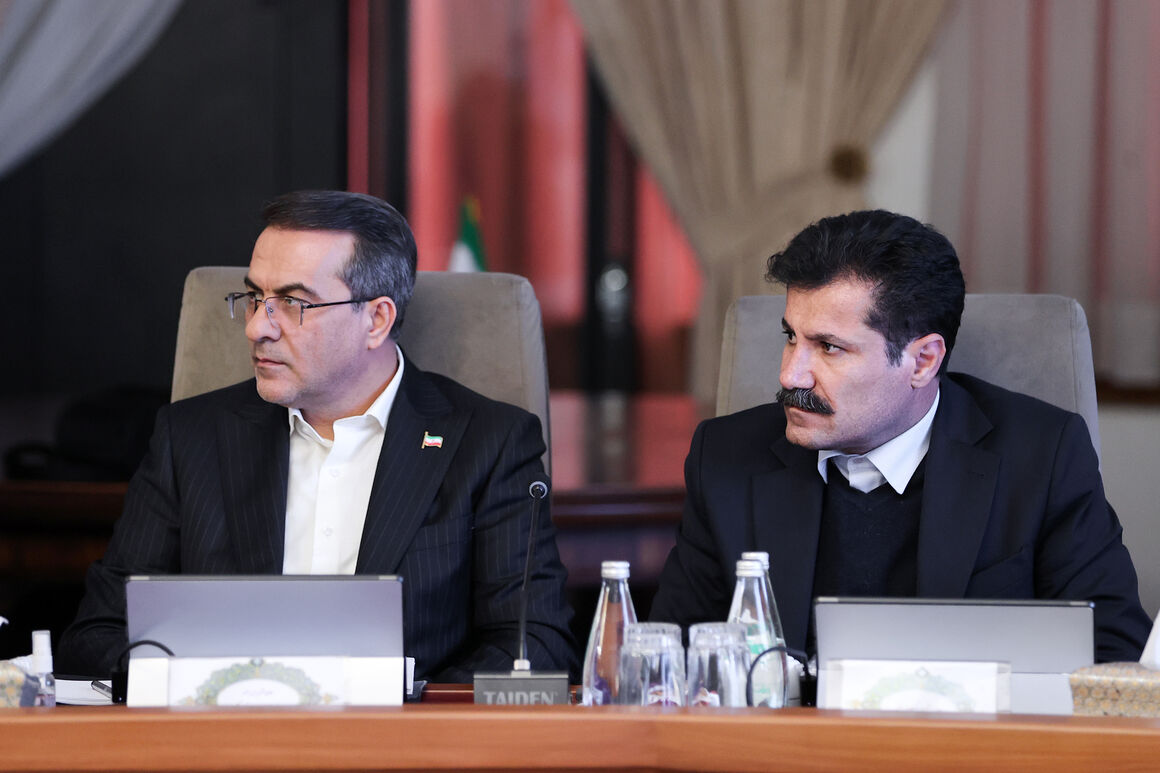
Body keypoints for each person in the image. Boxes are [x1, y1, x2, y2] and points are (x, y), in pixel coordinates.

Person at [58, 190, 577, 682]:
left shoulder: (489, 443)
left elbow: (533, 644)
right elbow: (99, 635)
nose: (257, 328)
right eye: (254, 297)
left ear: (376, 319)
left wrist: (400, 709)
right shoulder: (190, 438)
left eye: (292, 303)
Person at [651, 209, 1151, 664]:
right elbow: (672, 661)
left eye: (828, 347)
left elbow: (1114, 656)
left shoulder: (1041, 455)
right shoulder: (726, 456)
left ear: (923, 361)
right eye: (791, 337)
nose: (790, 376)